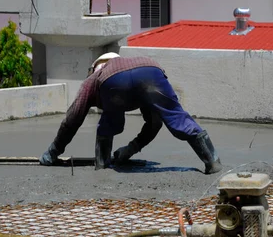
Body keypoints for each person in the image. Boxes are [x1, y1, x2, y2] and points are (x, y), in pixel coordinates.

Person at [40, 52, 222, 174]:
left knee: (108, 123)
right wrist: (130, 150)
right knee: (177, 116)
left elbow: (73, 118)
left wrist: (52, 152)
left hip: (114, 82)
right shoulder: (134, 63)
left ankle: (102, 166)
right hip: (151, 70)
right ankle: (212, 161)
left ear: (96, 66)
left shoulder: (96, 77)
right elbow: (154, 124)